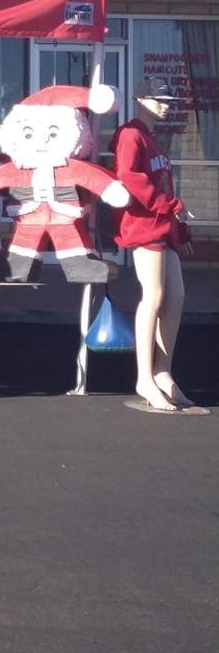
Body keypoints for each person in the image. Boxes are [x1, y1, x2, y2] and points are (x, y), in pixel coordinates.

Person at [114, 75, 198, 412]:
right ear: (139, 99)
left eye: (168, 101)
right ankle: (144, 377)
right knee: (155, 296)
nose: (165, 105)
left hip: (163, 229)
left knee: (176, 297)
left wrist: (180, 228)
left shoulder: (152, 139)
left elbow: (163, 184)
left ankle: (163, 372)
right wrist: (171, 207)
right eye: (158, 99)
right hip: (144, 227)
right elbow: (130, 179)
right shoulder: (131, 135)